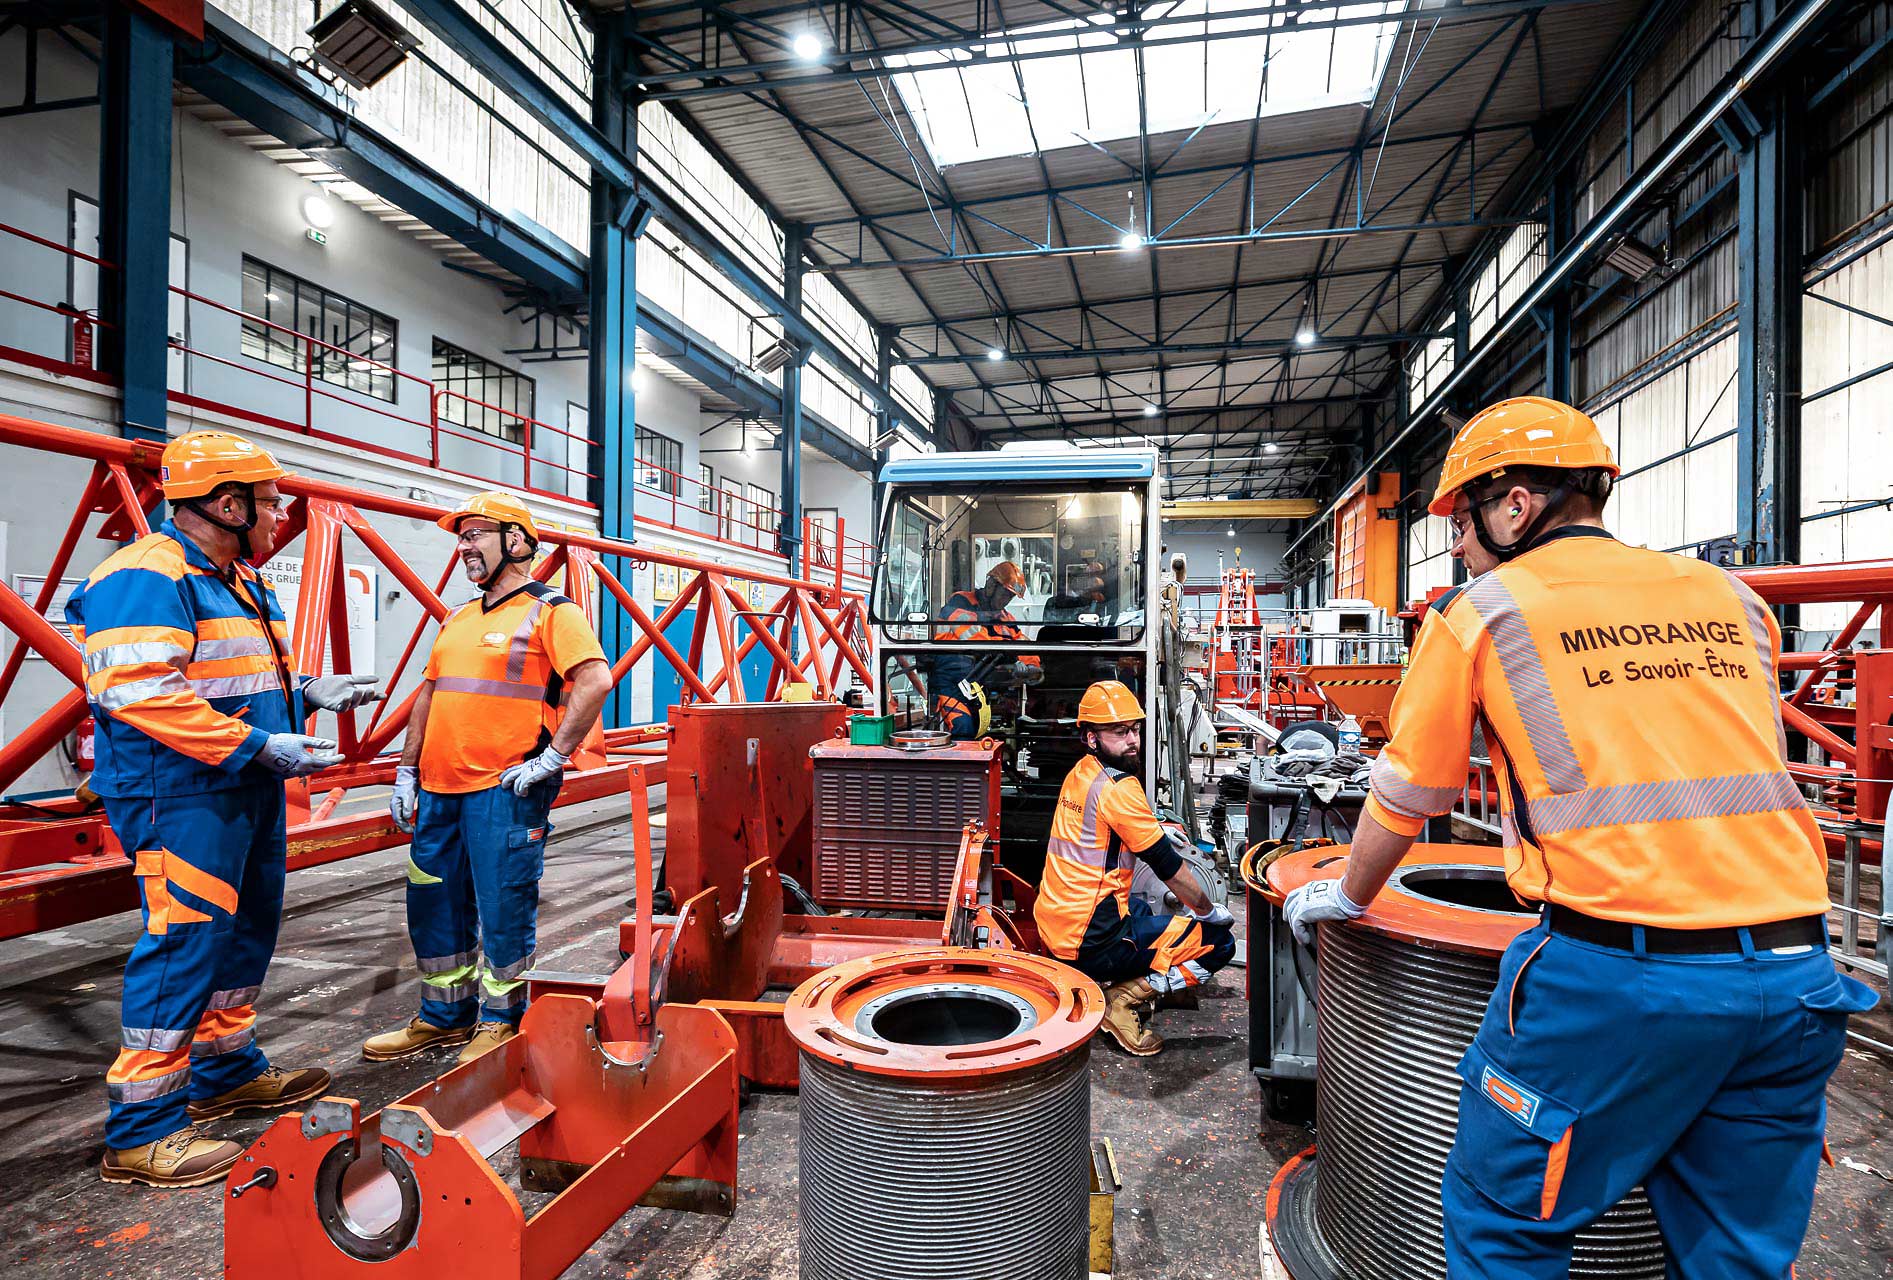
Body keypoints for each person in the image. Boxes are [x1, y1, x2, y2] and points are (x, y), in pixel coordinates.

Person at [1281, 396, 1878, 1278]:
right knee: (1737, 1255)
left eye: (1461, 520)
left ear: (1514, 505)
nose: (1456, 544)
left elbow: (1407, 795)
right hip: (1796, 978)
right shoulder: (1731, 599)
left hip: (1619, 981)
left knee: (1504, 1222)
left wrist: (1345, 894)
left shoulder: (1481, 612)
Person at [69, 429, 381, 1187]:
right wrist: (257, 747)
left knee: (244, 934)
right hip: (180, 793)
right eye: (270, 503)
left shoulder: (238, 577)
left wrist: (304, 689)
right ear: (228, 502)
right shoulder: (146, 575)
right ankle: (142, 1131)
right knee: (186, 944)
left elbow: (222, 672)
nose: (279, 516)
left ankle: (223, 1071)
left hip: (239, 786)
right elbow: (141, 692)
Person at [364, 491, 611, 1066]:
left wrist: (553, 758)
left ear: (517, 542)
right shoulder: (457, 619)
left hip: (503, 792)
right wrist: (405, 770)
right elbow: (430, 693)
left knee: (504, 906)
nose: (463, 547)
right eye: (461, 536)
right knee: (433, 904)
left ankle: (501, 1020)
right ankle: (443, 1017)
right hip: (438, 793)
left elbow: (595, 681)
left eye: (475, 535)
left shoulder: (552, 611)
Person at [1034, 680, 1235, 1055]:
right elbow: (1168, 867)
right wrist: (1209, 911)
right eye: (1119, 732)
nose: (1132, 740)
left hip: (1057, 924)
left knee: (1142, 908)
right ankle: (1121, 1001)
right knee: (1218, 942)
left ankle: (1121, 977)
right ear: (1091, 738)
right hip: (1089, 942)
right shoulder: (1120, 788)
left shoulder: (1082, 773)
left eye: (1135, 729)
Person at [932, 560, 1041, 739]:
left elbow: (1024, 645)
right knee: (963, 729)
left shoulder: (1006, 618)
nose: (1006, 600)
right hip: (951, 686)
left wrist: (1031, 668)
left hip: (982, 688)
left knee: (996, 735)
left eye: (1010, 597)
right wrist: (1013, 659)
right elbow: (976, 639)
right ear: (991, 585)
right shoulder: (959, 603)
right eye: (1005, 594)